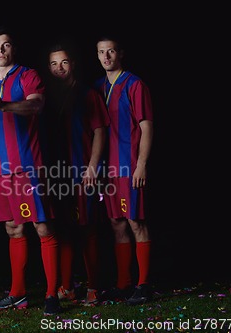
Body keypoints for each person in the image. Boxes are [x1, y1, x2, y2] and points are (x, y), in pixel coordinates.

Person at [0, 25, 61, 315]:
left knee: (41, 226)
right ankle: (18, 294)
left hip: (28, 166)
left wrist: (2, 105)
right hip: (1, 170)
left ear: (13, 49)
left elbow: (35, 106)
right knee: (13, 228)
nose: (1, 50)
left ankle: (52, 295)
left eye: (6, 45)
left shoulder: (28, 76)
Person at [43, 43, 109, 306]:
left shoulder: (87, 94)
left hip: (82, 171)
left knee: (87, 230)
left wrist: (93, 166)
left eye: (64, 62)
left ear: (73, 64)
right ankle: (67, 287)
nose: (59, 68)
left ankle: (93, 288)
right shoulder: (45, 97)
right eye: (54, 64)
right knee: (62, 230)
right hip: (55, 174)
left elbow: (100, 131)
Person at [93, 35, 154, 305]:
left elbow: (146, 126)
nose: (107, 56)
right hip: (107, 169)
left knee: (135, 222)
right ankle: (123, 283)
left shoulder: (134, 84)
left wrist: (141, 164)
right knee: (116, 223)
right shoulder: (97, 87)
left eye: (111, 51)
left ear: (121, 54)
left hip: (129, 166)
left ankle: (143, 284)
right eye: (101, 52)